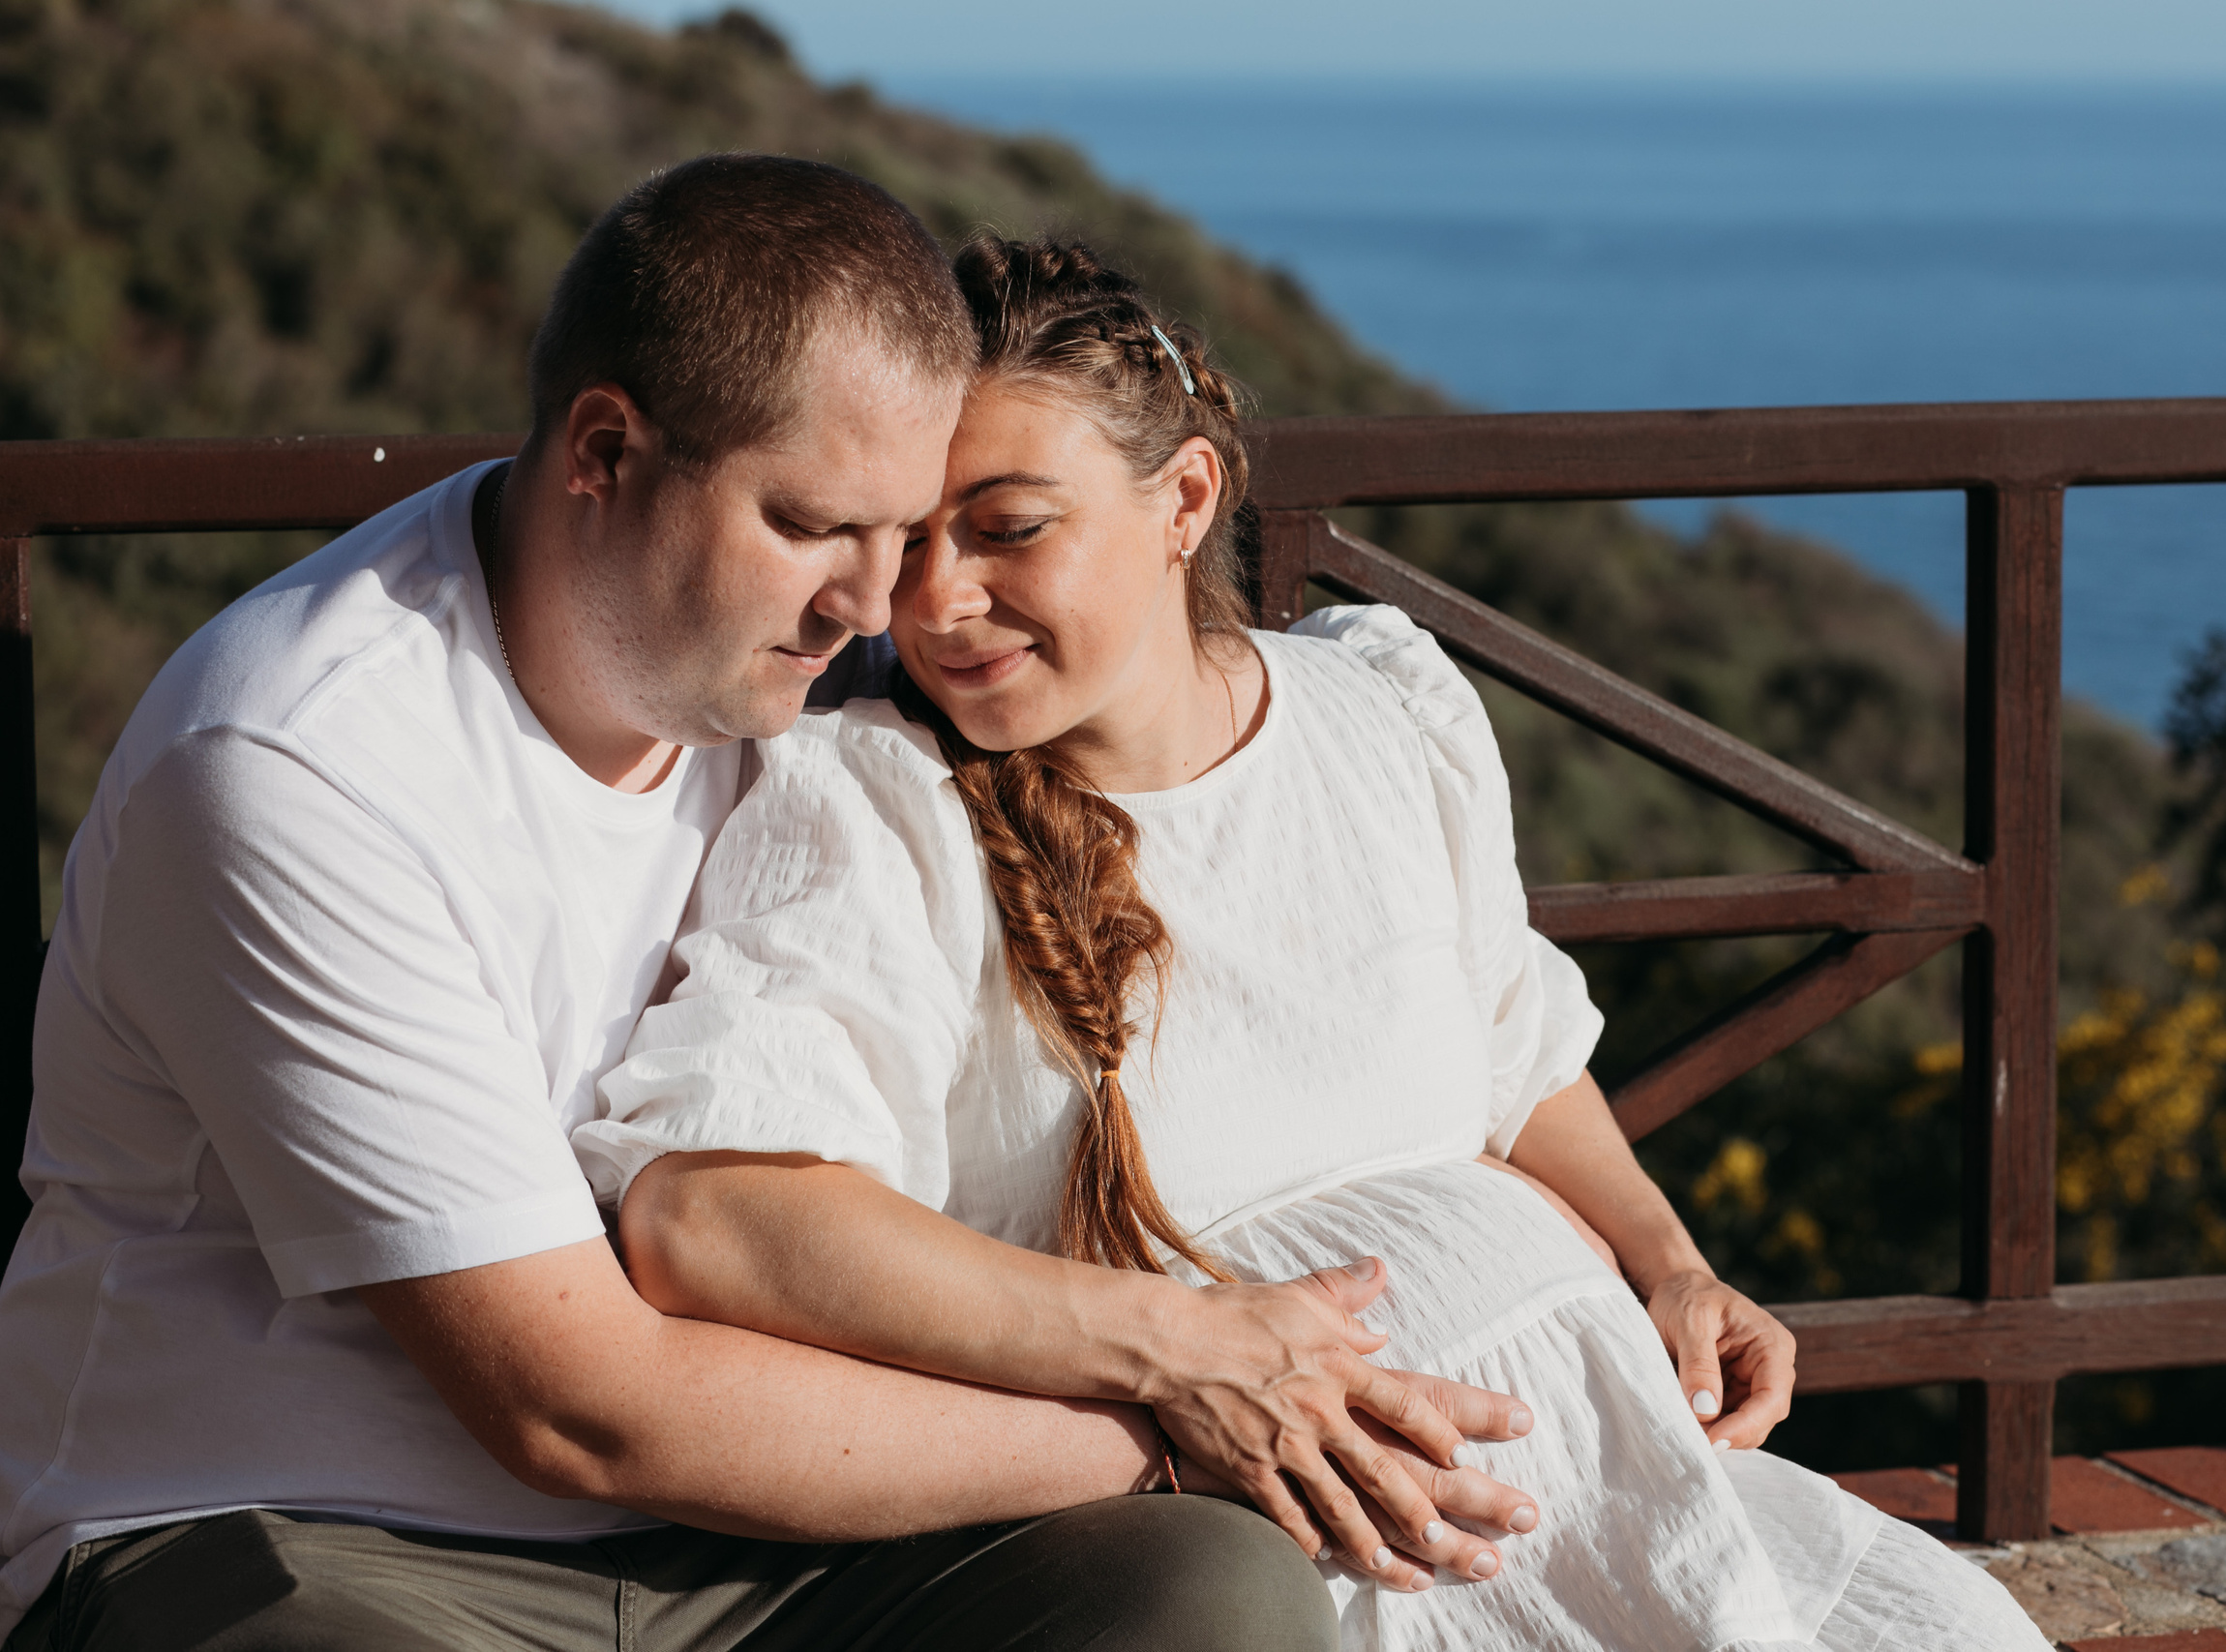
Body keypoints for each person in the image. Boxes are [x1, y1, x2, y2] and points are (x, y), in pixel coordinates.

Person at [0, 159, 1532, 1651]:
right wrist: (1171, 1406)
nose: (885, 607)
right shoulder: (299, 765)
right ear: (604, 453)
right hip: (293, 1534)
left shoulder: (837, 676)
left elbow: (1252, 832)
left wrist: (1633, 1260)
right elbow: (573, 1411)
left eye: (912, 528)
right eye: (813, 527)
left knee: (1211, 1599)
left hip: (758, 1547)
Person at [580, 236, 2054, 1650]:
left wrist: (1671, 1265)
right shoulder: (879, 803)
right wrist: (1168, 1354)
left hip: (1624, 1487)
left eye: (1011, 528)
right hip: (1299, 1555)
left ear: (1184, 500)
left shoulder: (1382, 708)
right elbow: (716, 1215)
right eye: (910, 539)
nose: (938, 601)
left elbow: (1509, 1049)